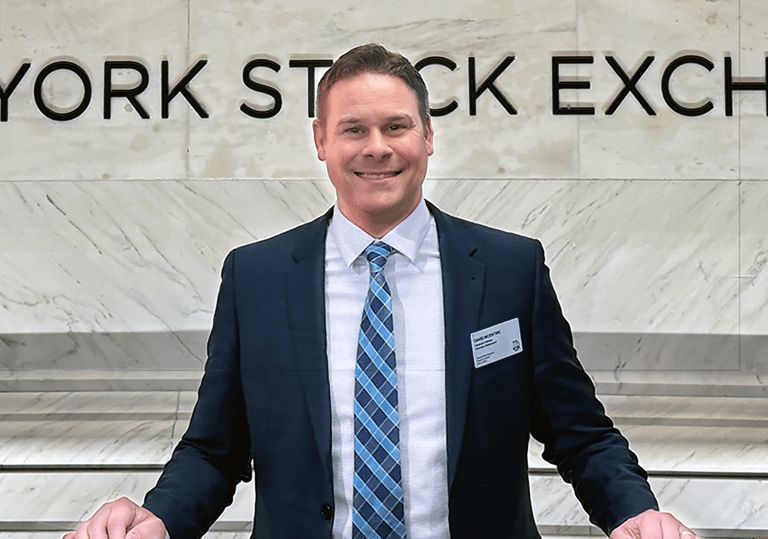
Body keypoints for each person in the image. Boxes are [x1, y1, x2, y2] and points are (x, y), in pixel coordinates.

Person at [65, 44, 700, 539]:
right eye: (353, 130)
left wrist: (634, 513)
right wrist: (159, 518)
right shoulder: (256, 278)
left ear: (428, 137)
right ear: (320, 141)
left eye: (396, 126)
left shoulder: (510, 269)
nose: (377, 149)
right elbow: (214, 447)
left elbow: (580, 433)